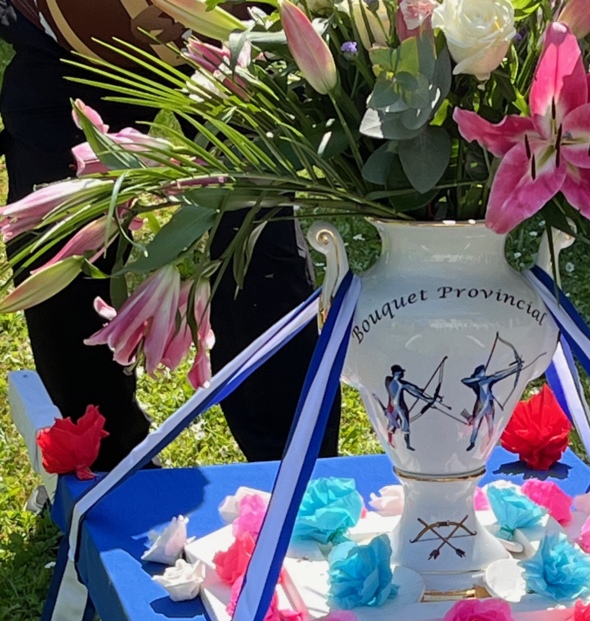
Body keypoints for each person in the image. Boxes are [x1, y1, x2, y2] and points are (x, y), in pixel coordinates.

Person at [0, 0, 339, 470]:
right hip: (68, 38)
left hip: (226, 32)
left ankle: (295, 467)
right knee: (61, 235)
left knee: (257, 242)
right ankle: (106, 459)